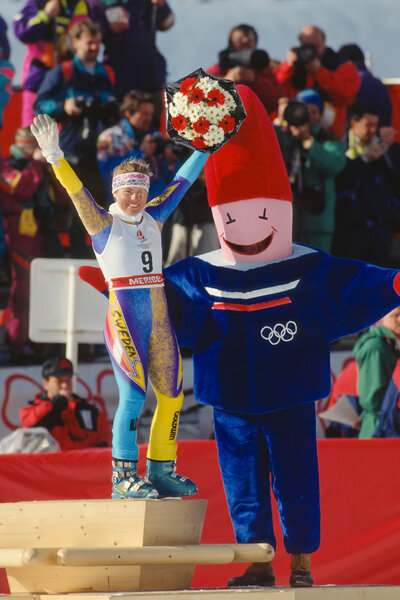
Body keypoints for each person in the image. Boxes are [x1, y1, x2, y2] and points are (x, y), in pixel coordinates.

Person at [160, 85, 400, 587]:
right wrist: (125, 290)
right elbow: (165, 304)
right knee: (242, 483)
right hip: (230, 398)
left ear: (283, 209)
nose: (250, 228)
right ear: (218, 217)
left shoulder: (308, 268)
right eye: (234, 218)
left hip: (290, 395)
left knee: (297, 481)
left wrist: (392, 283)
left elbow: (354, 286)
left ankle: (301, 562)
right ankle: (256, 560)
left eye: (263, 215)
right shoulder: (200, 273)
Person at [30, 112, 208, 499]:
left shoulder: (155, 216)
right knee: (132, 396)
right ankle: (122, 475)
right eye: (128, 191)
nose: (136, 198)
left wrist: (204, 147)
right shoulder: (103, 223)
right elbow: (78, 194)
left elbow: (182, 181)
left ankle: (161, 469)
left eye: (141, 191)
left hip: (159, 318)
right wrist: (56, 158)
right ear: (116, 191)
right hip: (124, 317)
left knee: (172, 396)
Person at [34, 18, 119, 255]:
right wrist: (65, 105)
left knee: (99, 213)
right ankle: (74, 261)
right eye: (90, 43)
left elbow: (118, 106)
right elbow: (38, 106)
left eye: (98, 43)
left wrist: (109, 107)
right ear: (75, 43)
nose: (95, 48)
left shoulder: (107, 74)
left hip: (100, 156)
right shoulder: (62, 73)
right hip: (69, 154)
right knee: (74, 214)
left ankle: (99, 260)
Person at [274, 88, 345, 252]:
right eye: (302, 109)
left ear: (320, 114)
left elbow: (334, 165)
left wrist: (309, 142)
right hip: (287, 223)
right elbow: (268, 155)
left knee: (319, 273)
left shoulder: (328, 139)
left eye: (313, 111)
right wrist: (280, 120)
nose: (307, 116)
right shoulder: (284, 136)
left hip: (317, 222)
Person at [332, 102, 400, 267]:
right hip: (349, 231)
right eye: (368, 125)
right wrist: (364, 160)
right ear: (354, 123)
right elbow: (340, 178)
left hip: (380, 231)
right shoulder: (340, 145)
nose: (372, 130)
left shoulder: (385, 149)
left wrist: (389, 149)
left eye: (375, 125)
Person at [274, 24, 360, 138]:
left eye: (315, 46)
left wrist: (320, 72)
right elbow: (274, 92)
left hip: (329, 136)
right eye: (306, 46)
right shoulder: (293, 67)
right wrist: (288, 66)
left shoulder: (341, 66)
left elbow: (346, 97)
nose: (311, 51)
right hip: (294, 131)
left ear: (324, 44)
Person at [13, 0, 90, 127]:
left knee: (57, 137)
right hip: (36, 77)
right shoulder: (39, 2)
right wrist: (45, 15)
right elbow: (21, 31)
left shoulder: (79, 4)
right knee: (31, 130)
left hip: (65, 81)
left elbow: (84, 37)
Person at [87, 0, 174, 104]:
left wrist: (161, 5)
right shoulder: (95, 3)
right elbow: (86, 34)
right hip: (118, 75)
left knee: (155, 115)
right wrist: (107, 27)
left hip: (150, 73)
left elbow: (167, 23)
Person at [96, 90, 173, 204]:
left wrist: (171, 161)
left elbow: (168, 178)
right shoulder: (109, 137)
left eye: (151, 114)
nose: (149, 119)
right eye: (144, 114)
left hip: (156, 207)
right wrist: (140, 153)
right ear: (128, 113)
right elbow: (107, 174)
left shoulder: (154, 136)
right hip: (123, 209)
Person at [20, 355, 112, 450]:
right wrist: (57, 403)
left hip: (85, 464)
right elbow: (29, 428)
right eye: (59, 381)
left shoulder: (92, 412)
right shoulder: (33, 410)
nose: (65, 385)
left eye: (68, 380)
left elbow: (106, 438)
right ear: (46, 383)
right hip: (51, 464)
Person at [207, 23, 283, 115]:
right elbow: (201, 97)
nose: (245, 41)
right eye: (240, 38)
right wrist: (226, 81)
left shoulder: (264, 69)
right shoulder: (217, 70)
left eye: (250, 39)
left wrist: (256, 80)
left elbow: (277, 100)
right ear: (231, 42)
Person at [353, 307, 400, 438]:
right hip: (380, 431)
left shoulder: (392, 344)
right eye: (395, 316)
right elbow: (372, 400)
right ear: (381, 319)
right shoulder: (376, 348)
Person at [338, 43, 392, 127]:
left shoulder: (348, 83)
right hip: (379, 136)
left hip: (353, 135)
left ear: (348, 62)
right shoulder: (379, 85)